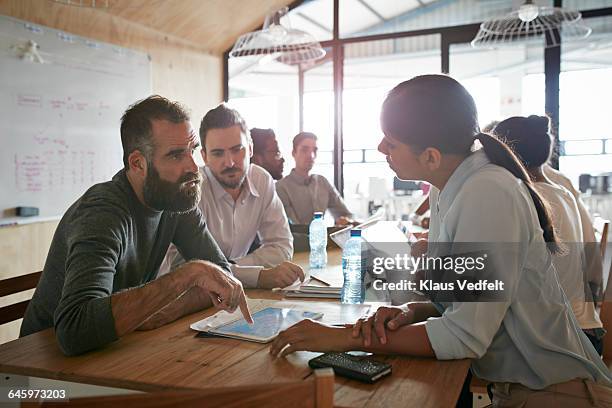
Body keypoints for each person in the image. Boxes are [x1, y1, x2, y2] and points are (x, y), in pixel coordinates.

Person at [270, 75, 612, 406]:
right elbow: (477, 299)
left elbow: (465, 335)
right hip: (518, 387)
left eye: (391, 142)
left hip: (554, 390)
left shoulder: (487, 192)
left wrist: (343, 338)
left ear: (431, 156)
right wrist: (411, 310)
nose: (380, 148)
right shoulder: (448, 186)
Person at [20, 96, 252, 356]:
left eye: (192, 150)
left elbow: (222, 277)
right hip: (41, 365)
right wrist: (188, 276)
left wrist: (170, 308)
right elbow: (75, 329)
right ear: (138, 163)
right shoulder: (102, 212)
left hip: (116, 346)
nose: (192, 166)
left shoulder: (174, 198)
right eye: (176, 155)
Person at [493, 115, 605, 354]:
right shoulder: (563, 193)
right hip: (586, 333)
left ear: (503, 156)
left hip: (556, 346)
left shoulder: (521, 197)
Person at [162, 105, 304, 289]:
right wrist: (256, 276)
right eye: (218, 153)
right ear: (204, 157)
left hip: (234, 295)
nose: (229, 162)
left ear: (251, 149)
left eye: (237, 150)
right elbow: (184, 269)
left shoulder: (261, 180)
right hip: (186, 299)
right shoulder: (190, 189)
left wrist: (232, 268)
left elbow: (282, 246)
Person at [276, 132, 354, 226]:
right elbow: (293, 228)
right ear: (294, 153)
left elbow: (347, 215)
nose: (311, 155)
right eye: (304, 150)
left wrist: (346, 221)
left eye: (315, 150)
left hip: (321, 238)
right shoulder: (281, 187)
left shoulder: (322, 182)